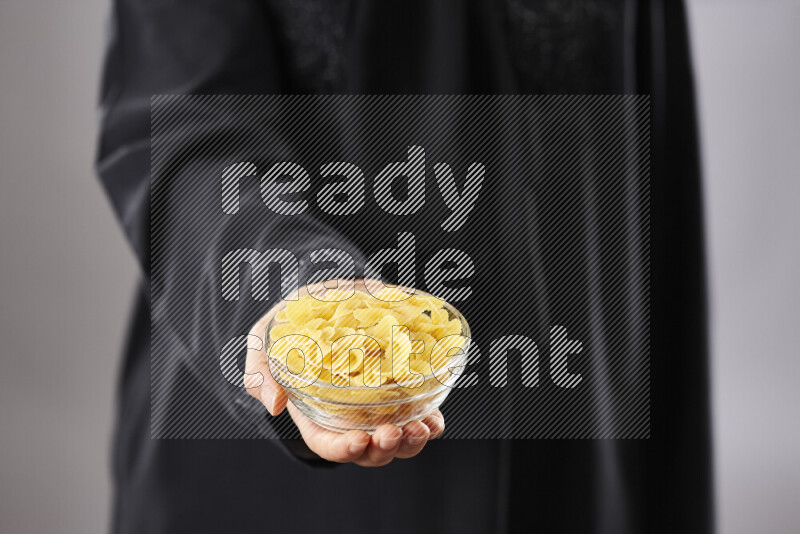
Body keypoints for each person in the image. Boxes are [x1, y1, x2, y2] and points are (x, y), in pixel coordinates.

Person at [96, 1, 712, 532]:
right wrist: (304, 303)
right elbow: (184, 123)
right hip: (287, 474)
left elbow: (648, 179)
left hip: (575, 448)